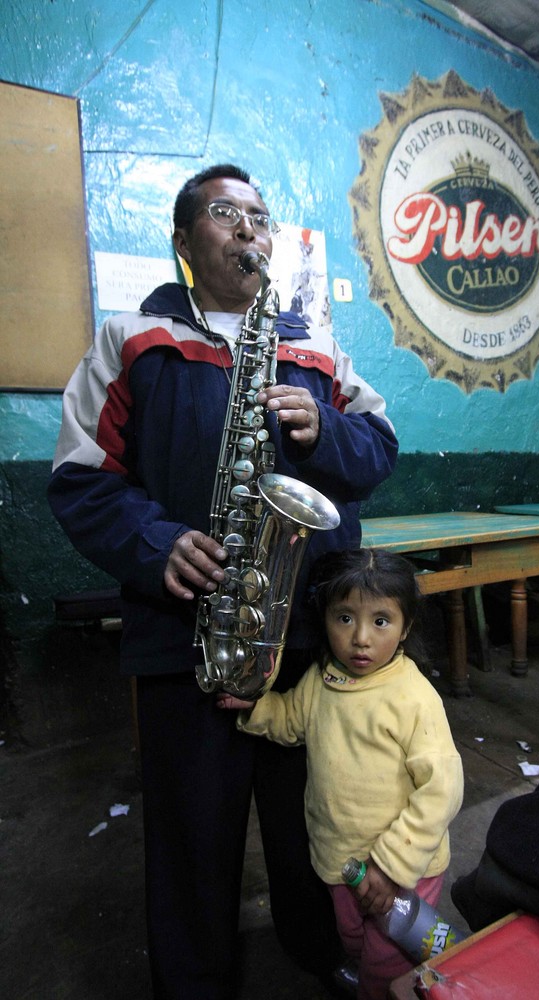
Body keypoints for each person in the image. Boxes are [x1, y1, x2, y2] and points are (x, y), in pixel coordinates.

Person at [47, 163, 399, 1000]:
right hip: (186, 638)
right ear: (182, 241)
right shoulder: (130, 338)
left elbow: (379, 449)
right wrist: (157, 544)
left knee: (310, 821)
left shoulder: (312, 346)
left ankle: (316, 954)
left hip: (308, 637)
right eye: (224, 213)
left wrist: (328, 435)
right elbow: (78, 477)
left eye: (259, 215)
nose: (249, 229)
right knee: (192, 835)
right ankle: (195, 982)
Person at [219, 548, 464, 1000]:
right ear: (324, 619)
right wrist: (255, 707)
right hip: (340, 864)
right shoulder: (323, 679)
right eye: (345, 618)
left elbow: (441, 789)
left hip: (402, 870)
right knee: (356, 942)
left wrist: (391, 866)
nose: (361, 639)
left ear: (406, 627)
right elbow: (292, 720)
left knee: (385, 963)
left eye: (381, 621)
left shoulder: (413, 698)